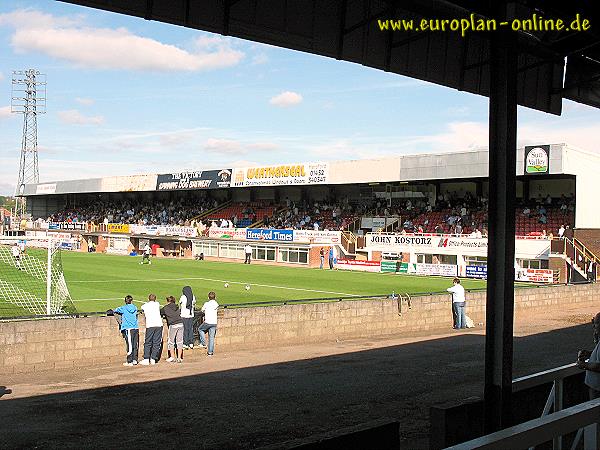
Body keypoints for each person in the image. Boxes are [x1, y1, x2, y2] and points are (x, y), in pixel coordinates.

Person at [577, 313, 600, 399]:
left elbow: (599, 366)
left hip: (597, 389)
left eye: (596, 323)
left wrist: (583, 365)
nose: (594, 326)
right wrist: (590, 354)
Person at [114, 295, 139, 366]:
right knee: (134, 344)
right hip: (135, 328)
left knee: (130, 345)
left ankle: (129, 361)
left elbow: (116, 310)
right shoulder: (135, 307)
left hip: (129, 328)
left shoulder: (123, 308)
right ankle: (134, 359)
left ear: (125, 301)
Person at [139, 294, 163, 365]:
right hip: (159, 325)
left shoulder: (146, 305)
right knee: (156, 342)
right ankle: (153, 358)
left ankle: (146, 359)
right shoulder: (157, 304)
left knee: (148, 342)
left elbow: (142, 307)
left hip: (150, 325)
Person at [161, 296, 184, 363]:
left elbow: (161, 312)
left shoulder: (165, 308)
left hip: (173, 325)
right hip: (180, 324)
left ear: (168, 301)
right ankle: (179, 358)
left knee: (171, 341)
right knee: (179, 341)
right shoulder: (177, 307)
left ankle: (172, 357)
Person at [199, 291, 219, 356]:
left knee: (200, 329)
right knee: (211, 337)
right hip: (214, 322)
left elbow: (202, 310)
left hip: (207, 322)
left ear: (208, 297)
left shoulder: (206, 304)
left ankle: (203, 343)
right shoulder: (216, 304)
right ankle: (210, 352)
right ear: (215, 297)